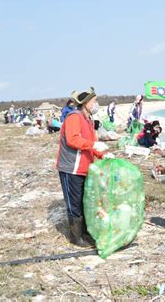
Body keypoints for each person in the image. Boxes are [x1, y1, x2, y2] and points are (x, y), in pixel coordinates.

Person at [56, 87, 110, 247]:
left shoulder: (88, 120)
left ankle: (86, 232)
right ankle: (76, 236)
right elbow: (73, 140)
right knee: (74, 203)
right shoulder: (74, 117)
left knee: (85, 201)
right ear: (85, 103)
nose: (95, 104)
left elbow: (91, 144)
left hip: (86, 168)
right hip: (71, 168)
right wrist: (94, 144)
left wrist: (102, 154)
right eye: (94, 101)